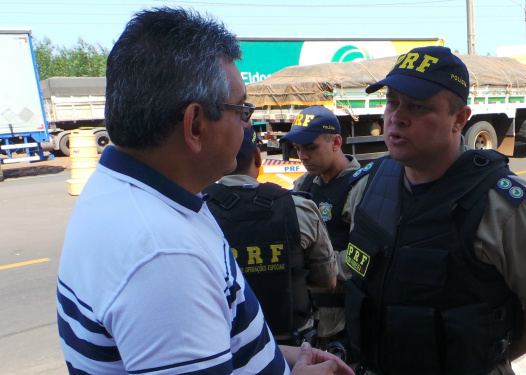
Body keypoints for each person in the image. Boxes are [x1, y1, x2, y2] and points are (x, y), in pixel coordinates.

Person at [56, 7, 352, 375]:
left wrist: (283, 358)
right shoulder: (165, 256)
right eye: (242, 110)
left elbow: (218, 338)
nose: (247, 125)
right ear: (195, 124)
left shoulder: (130, 190)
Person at [342, 46, 526, 375]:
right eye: (392, 101)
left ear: (460, 119)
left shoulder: (506, 207)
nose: (397, 116)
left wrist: (485, 360)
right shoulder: (370, 186)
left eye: (419, 107)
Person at [204, 127, 338, 346]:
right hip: (293, 346)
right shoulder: (299, 207)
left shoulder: (198, 212)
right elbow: (327, 280)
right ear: (258, 157)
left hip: (232, 349)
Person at [282, 105, 361, 360]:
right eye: (298, 149)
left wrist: (318, 268)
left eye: (311, 147)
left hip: (346, 321)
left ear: (336, 142)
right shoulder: (303, 185)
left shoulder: (360, 186)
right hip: (308, 321)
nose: (302, 156)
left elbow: (367, 254)